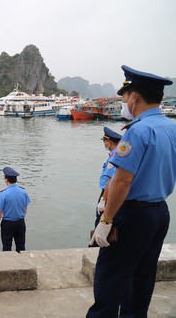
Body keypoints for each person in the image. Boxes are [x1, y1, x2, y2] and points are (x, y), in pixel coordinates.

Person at [88, 65, 176, 317]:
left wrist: (106, 219)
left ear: (135, 97)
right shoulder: (171, 128)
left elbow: (122, 181)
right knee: (142, 278)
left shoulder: (138, 130)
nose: (123, 102)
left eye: (124, 97)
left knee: (110, 278)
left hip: (132, 215)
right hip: (159, 212)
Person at [0, 167, 31, 253]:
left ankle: (8, 264)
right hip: (20, 223)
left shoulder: (3, 194)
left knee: (7, 247)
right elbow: (25, 207)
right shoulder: (24, 192)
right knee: (21, 246)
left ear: (6, 180)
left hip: (7, 224)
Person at [95, 127, 122, 226]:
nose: (104, 144)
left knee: (100, 222)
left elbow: (110, 180)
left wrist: (103, 200)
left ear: (109, 142)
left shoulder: (114, 156)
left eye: (105, 141)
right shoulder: (115, 154)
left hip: (107, 194)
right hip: (111, 193)